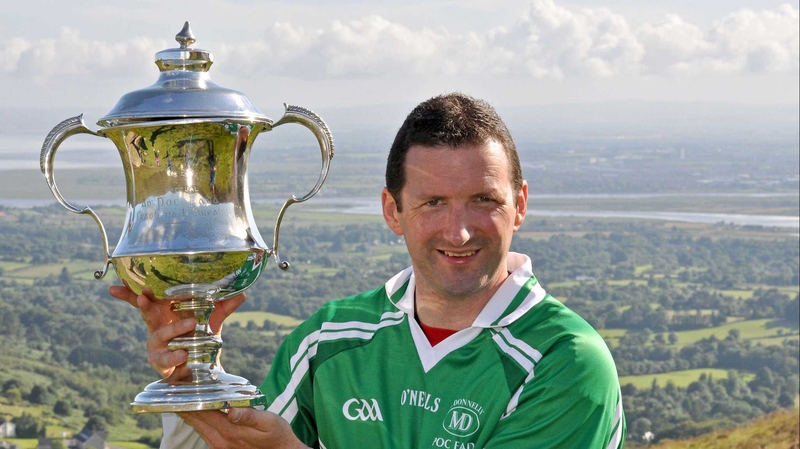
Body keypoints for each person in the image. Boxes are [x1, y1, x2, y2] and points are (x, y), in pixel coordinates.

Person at [111, 93, 626, 449]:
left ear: (520, 205)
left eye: (483, 201)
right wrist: (193, 379)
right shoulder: (329, 339)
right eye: (433, 203)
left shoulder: (565, 363)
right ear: (392, 211)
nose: (459, 231)